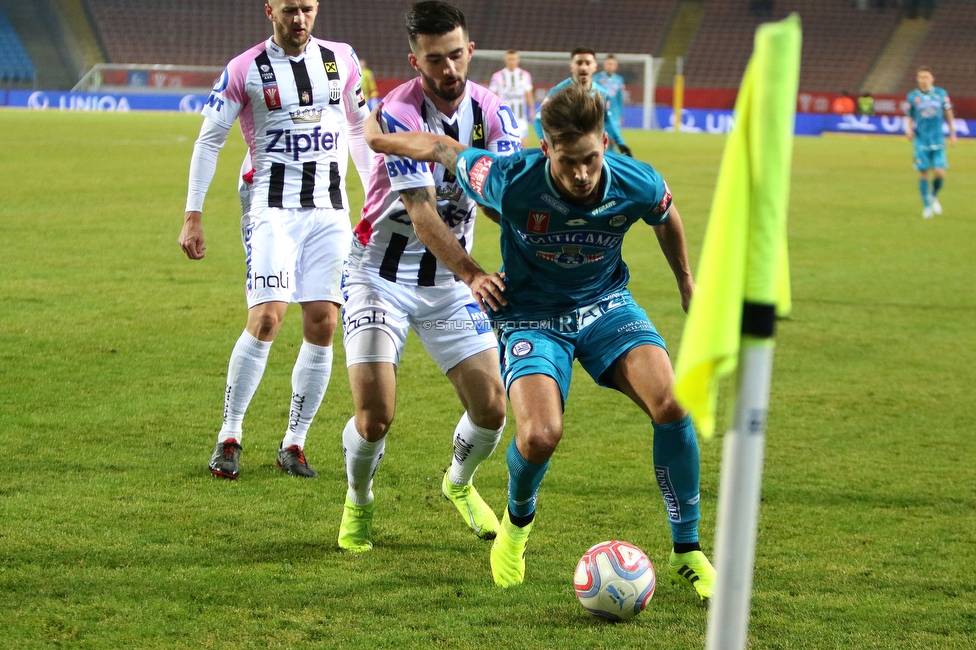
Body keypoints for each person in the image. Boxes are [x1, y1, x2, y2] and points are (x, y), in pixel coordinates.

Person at [363, 83, 715, 602]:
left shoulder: (635, 180)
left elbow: (667, 216)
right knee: (540, 436)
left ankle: (686, 548)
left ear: (603, 146)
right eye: (569, 161)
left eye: (591, 159)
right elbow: (443, 149)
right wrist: (380, 138)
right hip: (530, 317)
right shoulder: (509, 178)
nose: (581, 174)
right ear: (546, 149)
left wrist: (687, 281)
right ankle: (515, 528)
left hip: (606, 306)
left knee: (672, 403)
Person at [336, 0, 521, 553]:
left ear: (470, 51)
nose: (449, 69)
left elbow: (499, 201)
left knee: (492, 408)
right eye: (435, 59)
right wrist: (471, 273)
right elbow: (422, 213)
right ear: (415, 60)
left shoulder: (494, 113)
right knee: (375, 417)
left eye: (456, 55)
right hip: (379, 275)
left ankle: (458, 485)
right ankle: (358, 500)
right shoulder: (398, 112)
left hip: (445, 284)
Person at [178, 0, 373, 480]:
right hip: (271, 209)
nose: (299, 19)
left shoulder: (342, 59)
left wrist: (375, 196)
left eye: (307, 9)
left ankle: (294, 442)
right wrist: (193, 214)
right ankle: (229, 434)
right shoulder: (245, 68)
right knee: (266, 318)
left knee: (324, 322)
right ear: (270, 10)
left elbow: (357, 127)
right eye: (290, 10)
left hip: (329, 211)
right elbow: (209, 141)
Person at [532, 47, 632, 157]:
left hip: (592, 150)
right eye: (579, 63)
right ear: (571, 66)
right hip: (567, 152)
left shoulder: (602, 93)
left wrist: (620, 143)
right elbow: (538, 119)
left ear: (595, 66)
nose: (583, 67)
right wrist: (549, 144)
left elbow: (606, 119)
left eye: (588, 63)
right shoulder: (559, 91)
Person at [905, 67, 956, 218]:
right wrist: (908, 130)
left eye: (926, 77)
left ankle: (933, 195)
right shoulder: (913, 96)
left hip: (938, 139)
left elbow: (948, 112)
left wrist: (953, 133)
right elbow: (909, 116)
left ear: (932, 79)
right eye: (920, 77)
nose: (923, 80)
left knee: (940, 174)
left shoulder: (940, 94)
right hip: (921, 140)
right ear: (917, 79)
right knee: (924, 172)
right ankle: (927, 207)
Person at [488, 49, 535, 149]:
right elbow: (491, 95)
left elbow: (528, 94)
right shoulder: (497, 76)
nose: (512, 61)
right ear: (505, 60)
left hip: (520, 116)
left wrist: (532, 110)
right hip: (504, 115)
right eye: (509, 59)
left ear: (518, 60)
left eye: (514, 59)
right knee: (506, 142)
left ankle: (522, 163)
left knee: (523, 142)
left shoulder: (525, 75)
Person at [593, 54, 625, 135]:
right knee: (600, 136)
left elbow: (620, 98)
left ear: (616, 66)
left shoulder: (619, 79)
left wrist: (620, 114)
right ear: (604, 65)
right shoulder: (597, 78)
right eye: (608, 64)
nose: (610, 66)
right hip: (600, 112)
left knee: (613, 138)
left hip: (614, 112)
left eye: (612, 64)